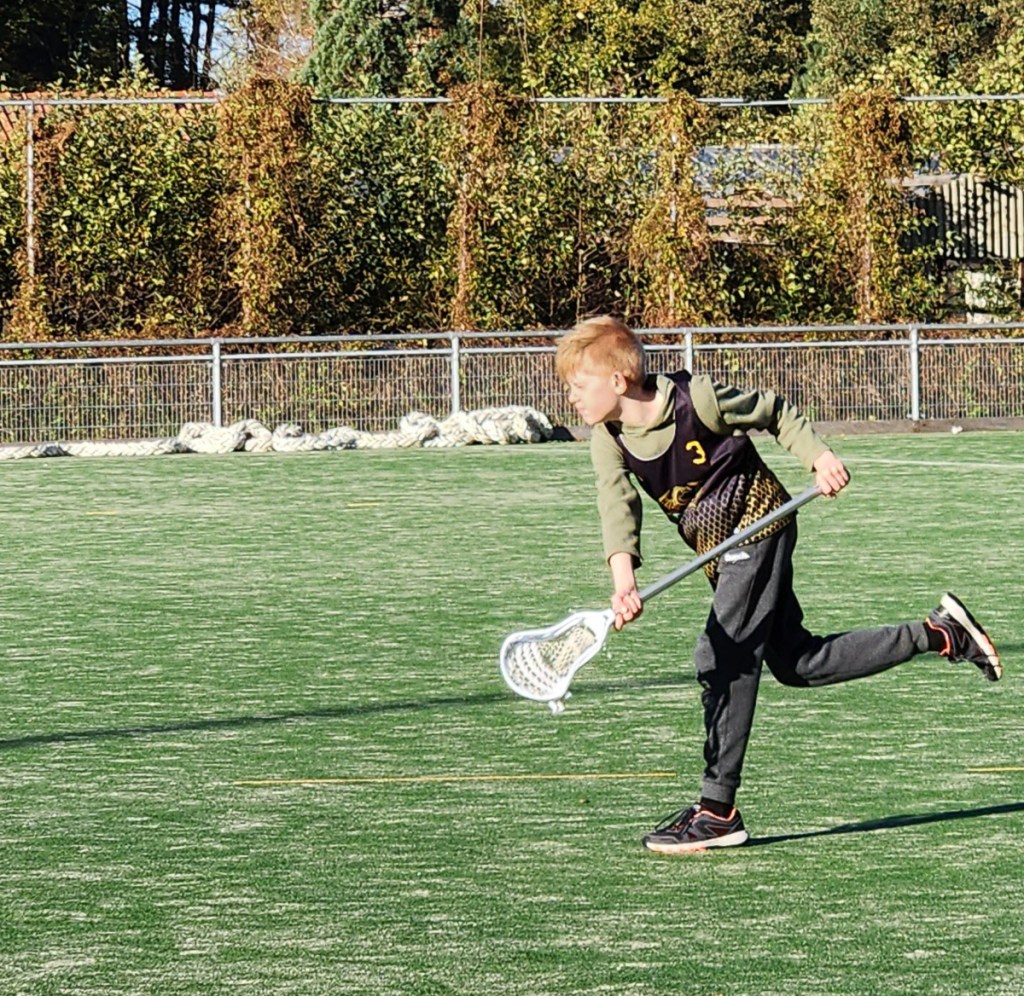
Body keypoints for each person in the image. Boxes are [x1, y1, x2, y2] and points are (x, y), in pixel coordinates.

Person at [554, 315, 1002, 855]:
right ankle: (939, 633)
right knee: (798, 662)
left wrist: (820, 457)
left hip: (759, 523)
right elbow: (616, 505)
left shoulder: (698, 399)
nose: (571, 397)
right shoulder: (608, 439)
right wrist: (624, 582)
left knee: (722, 656)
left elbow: (773, 410)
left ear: (618, 380)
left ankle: (717, 809)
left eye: (578, 385)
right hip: (719, 551)